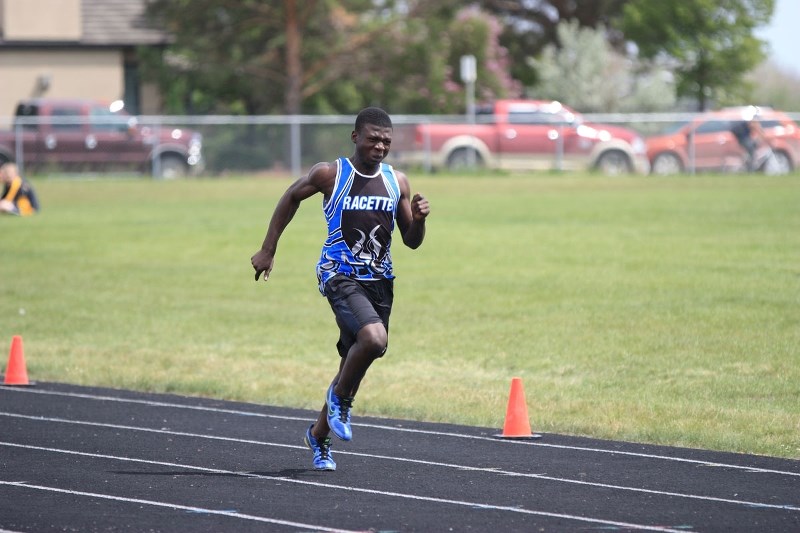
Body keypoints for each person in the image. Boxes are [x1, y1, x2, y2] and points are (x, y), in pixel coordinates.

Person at [250, 107, 430, 471]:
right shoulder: (331, 174)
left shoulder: (398, 182)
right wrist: (269, 248)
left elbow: (410, 241)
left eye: (386, 141)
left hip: (380, 281)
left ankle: (319, 435)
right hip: (339, 275)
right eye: (372, 139)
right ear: (355, 137)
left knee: (358, 356)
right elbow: (290, 196)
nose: (380, 146)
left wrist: (421, 220)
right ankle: (342, 401)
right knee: (375, 339)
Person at [730, 107, 765, 171]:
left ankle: (748, 160)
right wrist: (761, 133)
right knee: (752, 152)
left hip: (744, 138)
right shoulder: (751, 120)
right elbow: (755, 127)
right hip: (744, 139)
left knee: (753, 146)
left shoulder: (750, 119)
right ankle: (751, 167)